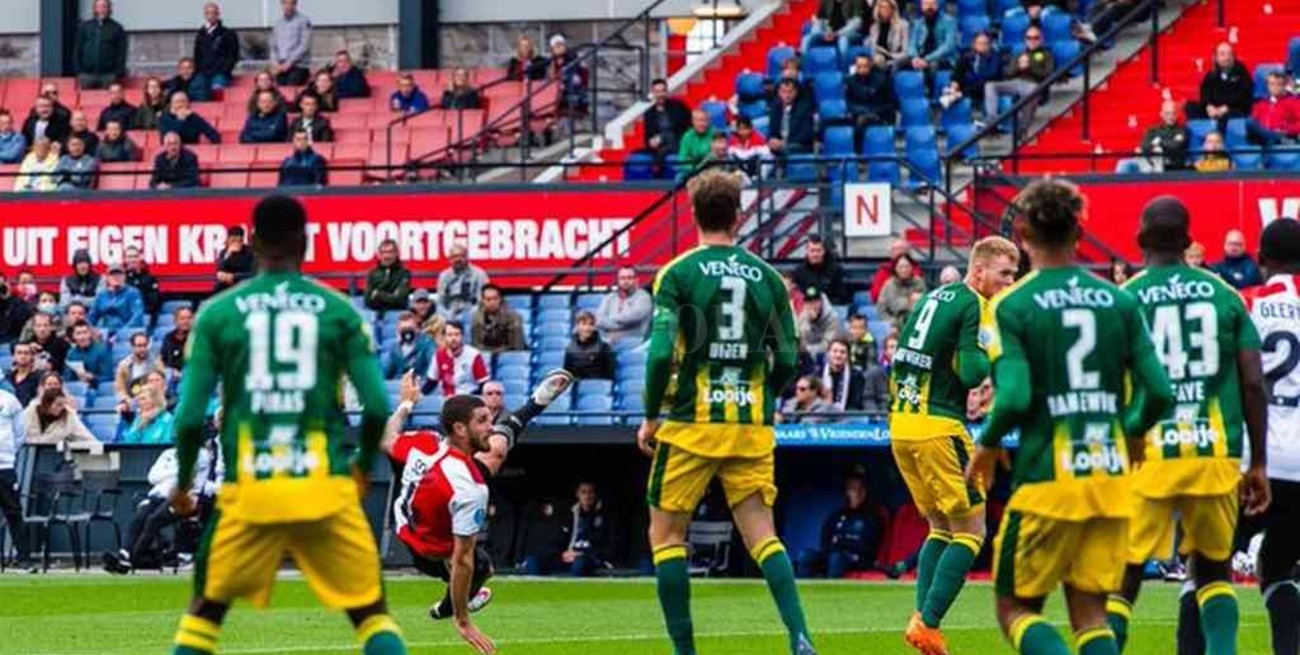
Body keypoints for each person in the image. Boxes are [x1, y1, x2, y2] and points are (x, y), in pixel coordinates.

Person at [163, 194, 408, 655]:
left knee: (205, 611)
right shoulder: (338, 311)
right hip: (325, 485)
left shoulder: (218, 313)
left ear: (251, 242)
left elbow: (189, 418)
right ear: (307, 242)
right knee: (371, 614)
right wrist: (362, 468)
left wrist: (182, 485)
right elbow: (376, 407)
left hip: (251, 490)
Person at [965, 179, 1174, 655]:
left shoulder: (1010, 305)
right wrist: (1135, 431)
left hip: (1047, 481)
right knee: (1091, 615)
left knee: (1015, 608)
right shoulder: (1118, 301)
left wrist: (988, 440)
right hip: (1109, 477)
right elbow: (1159, 391)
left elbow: (1014, 396)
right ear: (1079, 232)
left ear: (1021, 232)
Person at [639, 170, 816, 655]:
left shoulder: (676, 273)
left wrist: (651, 415)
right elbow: (786, 359)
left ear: (694, 214)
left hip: (691, 424)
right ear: (739, 219)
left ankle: (685, 651)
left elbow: (657, 356)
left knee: (667, 537)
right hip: (749, 425)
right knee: (763, 535)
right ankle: (800, 636)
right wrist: (764, 399)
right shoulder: (768, 278)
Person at [1104, 196, 1270, 655]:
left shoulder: (1123, 299)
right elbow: (1254, 383)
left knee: (1124, 577)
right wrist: (1257, 463)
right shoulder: (1225, 295)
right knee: (1214, 573)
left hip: (1146, 457)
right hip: (1213, 452)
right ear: (1189, 240)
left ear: (1139, 240)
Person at [885, 236, 1019, 651]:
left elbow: (903, 357)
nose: (1010, 283)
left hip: (902, 425)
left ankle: (921, 622)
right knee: (972, 531)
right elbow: (972, 371)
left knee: (939, 527)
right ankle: (928, 621)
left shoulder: (933, 297)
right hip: (938, 428)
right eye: (1004, 274)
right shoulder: (975, 305)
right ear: (979, 271)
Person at [382, 367, 573, 651]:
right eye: (482, 420)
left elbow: (386, 439)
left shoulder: (424, 442)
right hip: (428, 550)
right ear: (460, 429)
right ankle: (449, 606)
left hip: (412, 516)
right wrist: (463, 619)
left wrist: (406, 404)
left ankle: (536, 403)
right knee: (482, 567)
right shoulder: (470, 489)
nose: (491, 423)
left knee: (495, 449)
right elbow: (462, 560)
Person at [1241, 217, 1300, 655]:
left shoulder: (1244, 303)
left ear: (1259, 258)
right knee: (1279, 569)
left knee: (1203, 571)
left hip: (1249, 459)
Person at [103, 434, 221, 573]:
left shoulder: (201, 455)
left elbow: (187, 477)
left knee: (153, 521)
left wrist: (169, 473)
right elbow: (152, 476)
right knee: (137, 520)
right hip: (157, 494)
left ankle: (131, 560)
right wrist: (174, 473)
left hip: (182, 497)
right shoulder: (168, 453)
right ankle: (124, 554)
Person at [805, 474, 885, 579]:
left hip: (858, 559)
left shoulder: (872, 517)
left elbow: (868, 547)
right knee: (806, 556)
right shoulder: (836, 517)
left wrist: (841, 545)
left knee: (837, 558)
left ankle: (830, 591)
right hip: (833, 554)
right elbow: (825, 543)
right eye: (851, 489)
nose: (854, 493)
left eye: (858, 489)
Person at [983, 27, 1053, 134]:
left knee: (1032, 90)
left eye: (1036, 38)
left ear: (1041, 40)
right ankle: (992, 121)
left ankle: (1022, 129)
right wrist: (1018, 67)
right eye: (1029, 38)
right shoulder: (1020, 54)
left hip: (1034, 84)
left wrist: (1030, 67)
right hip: (1016, 83)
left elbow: (1048, 74)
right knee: (990, 85)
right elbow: (1008, 73)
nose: (1032, 41)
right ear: (1025, 39)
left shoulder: (1046, 55)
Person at [1186, 43, 1254, 132]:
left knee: (1225, 116)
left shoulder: (1241, 72)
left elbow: (1244, 96)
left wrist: (1226, 108)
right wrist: (1209, 106)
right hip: (1214, 110)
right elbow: (1204, 93)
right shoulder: (1211, 74)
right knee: (1190, 107)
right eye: (1223, 54)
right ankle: (1200, 137)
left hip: (1234, 109)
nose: (1227, 57)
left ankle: (1218, 138)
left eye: (1230, 54)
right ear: (1216, 57)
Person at [0, 387, 29, 567]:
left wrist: (8, 454)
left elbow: (20, 432)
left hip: (4, 466)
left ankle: (23, 557)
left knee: (13, 512)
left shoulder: (9, 400)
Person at [425, 322, 490, 397]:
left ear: (462, 336)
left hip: (469, 399)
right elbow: (431, 382)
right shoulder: (438, 356)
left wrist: (470, 397)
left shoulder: (474, 355)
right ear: (444, 337)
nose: (453, 338)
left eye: (457, 334)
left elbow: (484, 384)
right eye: (449, 335)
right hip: (446, 400)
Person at [74, 0, 128, 90]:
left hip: (108, 76)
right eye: (99, 7)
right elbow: (77, 50)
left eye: (104, 6)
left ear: (109, 9)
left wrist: (117, 73)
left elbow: (122, 52)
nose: (102, 9)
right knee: (87, 102)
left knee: (106, 102)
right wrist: (79, 71)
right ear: (94, 9)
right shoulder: (85, 26)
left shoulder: (117, 28)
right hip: (87, 76)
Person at [596, 266, 653, 346]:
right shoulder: (610, 297)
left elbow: (633, 317)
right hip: (608, 341)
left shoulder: (644, 297)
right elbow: (599, 319)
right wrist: (619, 326)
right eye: (622, 278)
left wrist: (611, 318)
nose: (626, 281)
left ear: (636, 280)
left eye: (629, 278)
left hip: (634, 342)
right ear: (618, 280)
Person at [844, 54, 896, 140]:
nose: (862, 69)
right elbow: (849, 102)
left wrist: (873, 111)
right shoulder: (851, 81)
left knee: (862, 120)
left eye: (865, 66)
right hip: (858, 113)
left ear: (870, 65)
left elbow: (891, 103)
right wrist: (862, 110)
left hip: (878, 115)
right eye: (859, 67)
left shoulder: (882, 80)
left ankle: (858, 150)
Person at [643, 78, 692, 167]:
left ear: (667, 92)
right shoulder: (649, 114)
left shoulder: (679, 107)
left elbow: (690, 126)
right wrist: (651, 142)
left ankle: (659, 163)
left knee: (668, 138)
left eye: (663, 91)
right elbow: (647, 138)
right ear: (653, 93)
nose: (660, 95)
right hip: (660, 147)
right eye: (657, 92)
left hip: (679, 142)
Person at [436, 241, 489, 322]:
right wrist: (447, 315)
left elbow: (482, 302)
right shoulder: (443, 276)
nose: (457, 259)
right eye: (454, 257)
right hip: (449, 316)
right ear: (449, 259)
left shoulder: (479, 274)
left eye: (461, 256)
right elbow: (440, 303)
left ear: (467, 257)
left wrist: (467, 316)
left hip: (473, 315)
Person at [193, 3, 240, 90]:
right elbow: (197, 55)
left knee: (217, 90)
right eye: (208, 13)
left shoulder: (228, 33)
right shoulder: (200, 33)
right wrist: (198, 72)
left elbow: (233, 55)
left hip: (220, 74)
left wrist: (224, 71)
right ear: (205, 15)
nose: (211, 16)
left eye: (213, 13)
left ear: (218, 14)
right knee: (196, 88)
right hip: (203, 74)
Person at [1248, 71, 1300, 146]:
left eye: (1279, 84)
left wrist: (1285, 129)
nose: (1275, 87)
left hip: (1283, 138)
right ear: (1267, 86)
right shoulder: (1261, 103)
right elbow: (1254, 122)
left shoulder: (1294, 102)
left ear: (1285, 86)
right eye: (1272, 84)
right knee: (1249, 123)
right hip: (1262, 138)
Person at [904, 0, 958, 74]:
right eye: (926, 4)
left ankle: (928, 86)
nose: (929, 7)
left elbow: (949, 46)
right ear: (922, 7)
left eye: (932, 4)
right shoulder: (918, 23)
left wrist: (927, 59)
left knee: (932, 65)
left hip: (942, 58)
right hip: (921, 56)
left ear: (937, 6)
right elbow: (912, 44)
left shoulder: (949, 21)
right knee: (897, 63)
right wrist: (915, 57)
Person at [1135, 99, 1190, 171]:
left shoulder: (1183, 130)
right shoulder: (1153, 130)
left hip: (1172, 166)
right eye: (1167, 113)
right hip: (1151, 162)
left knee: (1158, 150)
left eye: (1173, 113)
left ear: (1177, 114)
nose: (1171, 117)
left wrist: (1159, 142)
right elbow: (1143, 145)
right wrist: (1155, 146)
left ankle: (1156, 174)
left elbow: (1175, 145)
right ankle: (1147, 171)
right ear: (1161, 114)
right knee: (1138, 151)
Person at [792, 235, 847, 305]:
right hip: (806, 308)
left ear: (824, 251)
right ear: (807, 252)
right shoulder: (799, 271)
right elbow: (797, 296)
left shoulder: (835, 269)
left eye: (818, 250)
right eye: (812, 250)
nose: (815, 254)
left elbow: (840, 297)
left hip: (830, 309)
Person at [89, 262, 145, 331]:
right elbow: (92, 317)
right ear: (107, 278)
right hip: (105, 332)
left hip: (127, 332)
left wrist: (123, 332)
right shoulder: (101, 295)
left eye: (119, 274)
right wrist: (92, 331)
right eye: (112, 274)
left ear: (124, 276)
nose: (116, 277)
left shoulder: (133, 293)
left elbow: (137, 316)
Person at [470, 285, 525, 354]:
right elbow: (476, 345)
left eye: (495, 299)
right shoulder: (476, 317)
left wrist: (495, 353)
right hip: (486, 355)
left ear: (500, 299)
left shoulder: (514, 317)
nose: (492, 302)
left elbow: (516, 345)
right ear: (483, 301)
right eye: (488, 299)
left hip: (508, 356)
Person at [767, 79, 816, 157]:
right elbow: (772, 131)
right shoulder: (775, 108)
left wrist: (785, 143)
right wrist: (772, 140)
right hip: (779, 147)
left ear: (796, 92)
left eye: (790, 92)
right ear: (779, 92)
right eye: (783, 92)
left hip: (798, 147)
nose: (786, 95)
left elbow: (806, 134)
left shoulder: (805, 108)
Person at [801, 0, 865, 59]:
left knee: (843, 40)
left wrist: (837, 34)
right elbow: (820, 19)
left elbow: (857, 22)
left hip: (848, 33)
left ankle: (843, 68)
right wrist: (824, 33)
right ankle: (803, 66)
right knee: (806, 38)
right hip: (828, 31)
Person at [878, 253, 928, 329]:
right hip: (893, 324)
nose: (904, 270)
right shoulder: (889, 285)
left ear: (912, 267)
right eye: (900, 267)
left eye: (907, 266)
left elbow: (923, 305)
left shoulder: (919, 282)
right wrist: (892, 323)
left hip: (915, 323)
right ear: (895, 268)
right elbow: (883, 309)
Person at [113, 332, 164, 404]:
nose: (143, 349)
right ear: (132, 347)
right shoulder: (124, 365)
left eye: (145, 345)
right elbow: (120, 389)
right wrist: (126, 401)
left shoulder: (156, 363)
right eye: (139, 346)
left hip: (153, 402)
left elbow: (162, 385)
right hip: (132, 402)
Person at [271, 0, 313, 86]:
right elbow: (273, 46)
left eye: (291, 3)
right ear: (281, 4)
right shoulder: (278, 23)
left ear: (295, 5)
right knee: (280, 93)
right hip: (281, 66)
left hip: (299, 66)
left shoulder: (304, 21)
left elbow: (304, 46)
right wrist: (275, 63)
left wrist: (289, 63)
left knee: (291, 91)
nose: (288, 6)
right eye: (285, 3)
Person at [955, 32, 1001, 108]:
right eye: (979, 43)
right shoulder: (967, 55)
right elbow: (958, 73)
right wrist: (954, 84)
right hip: (969, 89)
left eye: (985, 43)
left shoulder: (995, 57)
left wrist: (966, 80)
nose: (982, 46)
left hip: (987, 91)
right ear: (974, 44)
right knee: (949, 92)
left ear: (989, 45)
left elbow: (989, 76)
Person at [564, 311, 614, 380]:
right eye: (584, 324)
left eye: (591, 324)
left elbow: (610, 375)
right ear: (577, 326)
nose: (587, 328)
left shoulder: (604, 347)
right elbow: (567, 374)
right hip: (576, 386)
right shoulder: (570, 348)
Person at [365, 239, 412, 312]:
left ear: (396, 253)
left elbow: (399, 299)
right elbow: (367, 300)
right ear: (379, 254)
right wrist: (390, 296)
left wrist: (378, 294)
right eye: (383, 252)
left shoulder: (404, 273)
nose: (386, 256)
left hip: (398, 315)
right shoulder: (372, 273)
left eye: (390, 252)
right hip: (376, 314)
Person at [818, 339, 866, 412]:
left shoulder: (856, 375)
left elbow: (855, 403)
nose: (838, 355)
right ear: (828, 353)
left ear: (848, 355)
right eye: (835, 351)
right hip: (821, 416)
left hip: (847, 417)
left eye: (842, 352)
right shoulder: (818, 374)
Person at [383, 313, 434, 380]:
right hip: (401, 385)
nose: (407, 332)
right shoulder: (396, 349)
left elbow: (432, 370)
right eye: (403, 329)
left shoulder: (427, 344)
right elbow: (387, 374)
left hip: (420, 384)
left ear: (417, 329)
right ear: (398, 331)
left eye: (410, 328)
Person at [798, 287, 843, 357]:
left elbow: (828, 346)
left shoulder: (833, 318)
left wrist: (806, 349)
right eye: (809, 302)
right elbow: (801, 341)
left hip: (829, 357)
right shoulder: (803, 316)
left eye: (815, 301)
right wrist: (810, 322)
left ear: (822, 301)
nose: (812, 305)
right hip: (808, 356)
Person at [64, 322, 112, 386]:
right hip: (78, 389)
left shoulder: (102, 350)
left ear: (90, 334)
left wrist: (93, 378)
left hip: (98, 388)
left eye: (85, 332)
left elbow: (109, 377)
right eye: (78, 333)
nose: (82, 337)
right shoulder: (71, 353)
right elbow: (68, 379)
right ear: (73, 336)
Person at [866, 0, 909, 67]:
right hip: (877, 59)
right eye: (882, 7)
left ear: (893, 9)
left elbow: (906, 52)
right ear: (878, 9)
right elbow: (872, 46)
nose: (885, 10)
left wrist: (891, 56)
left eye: (888, 7)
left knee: (878, 61)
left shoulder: (903, 25)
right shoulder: (874, 28)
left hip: (894, 60)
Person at [123, 246, 161, 320]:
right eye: (129, 257)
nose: (132, 259)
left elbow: (154, 302)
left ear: (140, 258)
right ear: (125, 259)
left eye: (135, 256)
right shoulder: (121, 278)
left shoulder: (149, 278)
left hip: (143, 316)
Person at [214, 226, 255, 291]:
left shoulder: (249, 252)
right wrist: (228, 255)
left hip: (244, 282)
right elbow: (219, 272)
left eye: (239, 241)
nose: (236, 244)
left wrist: (233, 276)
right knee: (218, 286)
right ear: (228, 240)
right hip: (229, 283)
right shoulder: (224, 252)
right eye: (233, 241)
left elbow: (254, 273)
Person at [160, 306, 193, 372]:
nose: (186, 321)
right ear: (175, 321)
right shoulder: (168, 337)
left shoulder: (199, 337)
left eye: (189, 318)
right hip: (172, 376)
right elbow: (161, 359)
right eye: (182, 319)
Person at [6, 343, 40, 407]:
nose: (22, 356)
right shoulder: (7, 378)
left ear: (32, 356)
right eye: (19, 353)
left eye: (26, 353)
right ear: (13, 356)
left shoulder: (40, 378)